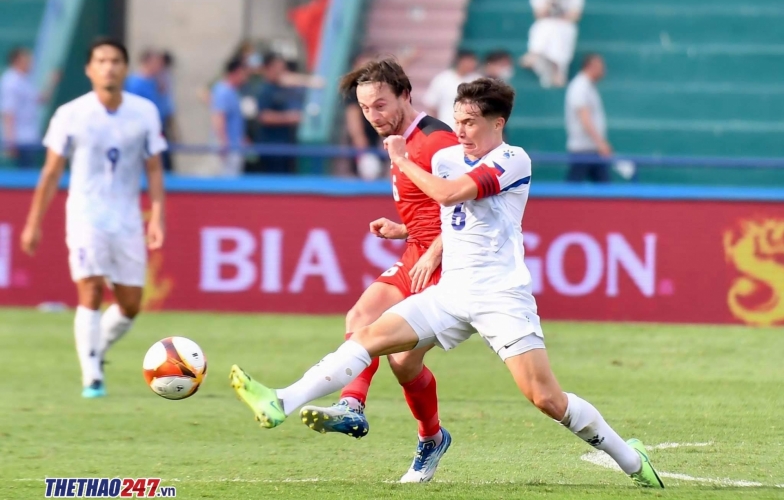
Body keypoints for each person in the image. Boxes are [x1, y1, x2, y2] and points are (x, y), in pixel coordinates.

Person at [228, 77, 664, 489]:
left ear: (498, 123)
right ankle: (282, 401)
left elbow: (452, 194)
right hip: (450, 293)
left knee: (546, 398)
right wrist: (405, 231)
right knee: (368, 336)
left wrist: (401, 159)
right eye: (457, 121)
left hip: (500, 298)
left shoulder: (513, 160)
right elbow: (452, 217)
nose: (461, 131)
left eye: (470, 122)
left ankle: (630, 458)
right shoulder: (448, 158)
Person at [298, 58, 459, 482]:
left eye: (381, 105)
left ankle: (431, 438)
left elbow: (469, 206)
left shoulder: (437, 141)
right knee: (361, 316)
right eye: (366, 108)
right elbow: (430, 208)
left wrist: (434, 251)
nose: (373, 115)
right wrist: (404, 229)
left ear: (406, 95)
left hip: (448, 262)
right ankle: (352, 404)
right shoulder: (400, 140)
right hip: (416, 253)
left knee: (403, 362)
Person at [20, 38, 167, 398]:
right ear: (89, 69)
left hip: (127, 218)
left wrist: (157, 217)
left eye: (115, 60)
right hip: (85, 215)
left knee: (130, 304)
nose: (108, 67)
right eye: (101, 61)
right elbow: (52, 172)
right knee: (91, 288)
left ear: (125, 68)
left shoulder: (144, 112)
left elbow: (154, 167)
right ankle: (93, 377)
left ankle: (94, 348)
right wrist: (33, 223)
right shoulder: (70, 114)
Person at [0, 47, 58, 168]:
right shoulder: (10, 82)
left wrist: (51, 82)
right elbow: (8, 113)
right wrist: (11, 142)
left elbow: (42, 99)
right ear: (16, 61)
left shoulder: (24, 81)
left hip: (29, 137)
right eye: (27, 60)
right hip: (19, 140)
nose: (30, 63)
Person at [565, 53, 612, 182]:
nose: (603, 70)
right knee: (573, 187)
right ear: (591, 66)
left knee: (604, 186)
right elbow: (584, 118)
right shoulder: (580, 87)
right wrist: (600, 143)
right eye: (601, 67)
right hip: (583, 149)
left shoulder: (588, 86)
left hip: (592, 148)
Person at [254, 53, 304, 174]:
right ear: (269, 68)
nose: (282, 71)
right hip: (272, 146)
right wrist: (290, 117)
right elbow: (264, 116)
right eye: (278, 68)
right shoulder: (265, 90)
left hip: (285, 145)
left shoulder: (280, 87)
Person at [521, 0, 584, 88]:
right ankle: (554, 68)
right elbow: (539, 14)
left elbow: (575, 16)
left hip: (565, 26)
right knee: (544, 26)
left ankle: (542, 57)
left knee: (561, 29)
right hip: (545, 25)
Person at [422, 49, 481, 130]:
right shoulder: (442, 79)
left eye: (473, 61)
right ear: (460, 61)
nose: (472, 64)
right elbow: (432, 105)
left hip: (469, 129)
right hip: (445, 126)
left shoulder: (477, 80)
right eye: (469, 61)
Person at [210, 58, 249, 176]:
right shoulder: (223, 91)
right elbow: (218, 117)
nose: (245, 77)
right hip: (227, 147)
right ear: (236, 72)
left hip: (234, 144)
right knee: (226, 179)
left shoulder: (234, 92)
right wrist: (223, 142)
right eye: (244, 73)